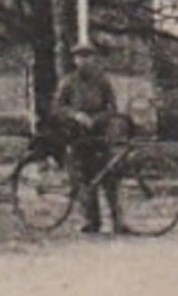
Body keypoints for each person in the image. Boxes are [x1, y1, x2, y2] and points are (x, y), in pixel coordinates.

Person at [52, 43, 128, 234]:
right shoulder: (68, 82)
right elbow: (58, 108)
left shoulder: (102, 81)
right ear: (75, 60)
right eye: (80, 57)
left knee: (109, 176)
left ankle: (118, 221)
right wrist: (76, 115)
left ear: (94, 59)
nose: (84, 61)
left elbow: (112, 106)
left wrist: (98, 119)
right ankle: (91, 221)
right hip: (78, 133)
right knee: (85, 177)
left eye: (88, 56)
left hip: (100, 132)